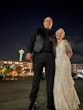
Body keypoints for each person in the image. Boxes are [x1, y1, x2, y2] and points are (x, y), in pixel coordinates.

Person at [26, 16, 56, 110]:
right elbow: (31, 40)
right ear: (43, 23)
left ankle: (50, 104)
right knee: (36, 80)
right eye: (47, 20)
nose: (48, 22)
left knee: (50, 81)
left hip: (51, 57)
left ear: (52, 24)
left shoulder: (54, 34)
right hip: (38, 55)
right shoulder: (38, 30)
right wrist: (28, 51)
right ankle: (32, 102)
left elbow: (58, 45)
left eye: (50, 21)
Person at [53, 28, 80, 110]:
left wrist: (65, 60)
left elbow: (70, 53)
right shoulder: (53, 44)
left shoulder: (65, 42)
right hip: (56, 63)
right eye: (58, 33)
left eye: (61, 33)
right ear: (56, 34)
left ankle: (69, 103)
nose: (59, 34)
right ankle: (59, 103)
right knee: (57, 81)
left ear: (63, 35)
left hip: (64, 63)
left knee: (65, 81)